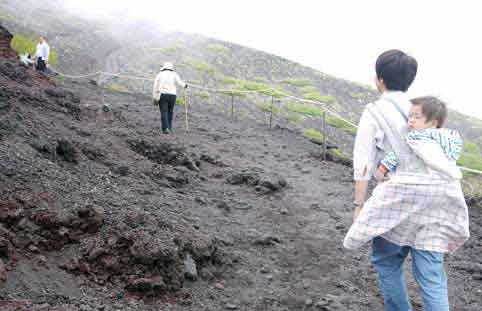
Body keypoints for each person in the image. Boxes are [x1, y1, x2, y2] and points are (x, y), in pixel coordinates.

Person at [344, 50, 469, 311]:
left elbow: (364, 164)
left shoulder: (374, 111)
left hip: (400, 197)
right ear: (409, 80)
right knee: (431, 274)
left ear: (379, 79)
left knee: (387, 261)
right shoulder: (422, 110)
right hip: (440, 198)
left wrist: (358, 205)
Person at [376, 96, 463, 182]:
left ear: (433, 123)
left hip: (413, 181)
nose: (411, 120)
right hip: (438, 184)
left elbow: (399, 151)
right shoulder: (449, 140)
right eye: (410, 116)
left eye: (417, 117)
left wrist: (383, 168)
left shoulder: (416, 137)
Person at [152, 62, 187, 134]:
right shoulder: (174, 74)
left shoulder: (160, 74)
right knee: (170, 112)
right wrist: (185, 85)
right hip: (172, 95)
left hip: (163, 95)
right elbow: (180, 83)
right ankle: (170, 128)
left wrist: (155, 96)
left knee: (164, 111)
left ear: (164, 67)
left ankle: (165, 129)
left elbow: (155, 86)